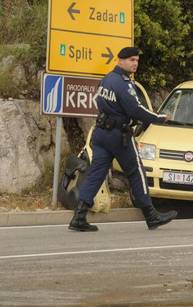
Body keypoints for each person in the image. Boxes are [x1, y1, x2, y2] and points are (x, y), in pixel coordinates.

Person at [69, 47, 178, 232]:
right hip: (119, 136)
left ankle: (79, 216)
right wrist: (159, 118)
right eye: (131, 60)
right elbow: (136, 109)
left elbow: (103, 103)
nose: (134, 64)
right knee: (136, 172)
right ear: (120, 60)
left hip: (101, 133)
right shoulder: (123, 83)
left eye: (136, 60)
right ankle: (151, 216)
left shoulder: (106, 79)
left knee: (96, 173)